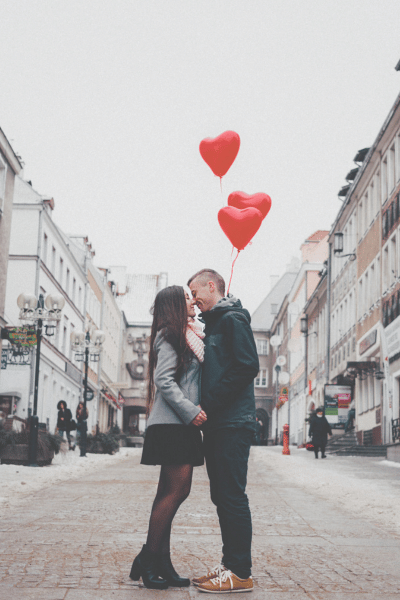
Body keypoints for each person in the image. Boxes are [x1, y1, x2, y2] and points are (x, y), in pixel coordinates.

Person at [129, 285, 207, 590]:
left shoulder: (188, 334)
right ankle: (149, 558)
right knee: (176, 492)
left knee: (170, 493)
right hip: (174, 423)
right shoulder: (169, 334)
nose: (193, 302)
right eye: (187, 298)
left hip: (179, 424)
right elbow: (163, 379)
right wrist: (191, 411)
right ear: (175, 304)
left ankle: (160, 560)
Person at [188, 269, 259, 594]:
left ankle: (240, 572)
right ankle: (230, 564)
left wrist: (209, 404)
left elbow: (247, 366)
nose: (193, 299)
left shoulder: (232, 320)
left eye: (195, 291)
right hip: (219, 423)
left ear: (211, 286)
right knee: (222, 496)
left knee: (231, 496)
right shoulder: (216, 323)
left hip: (232, 422)